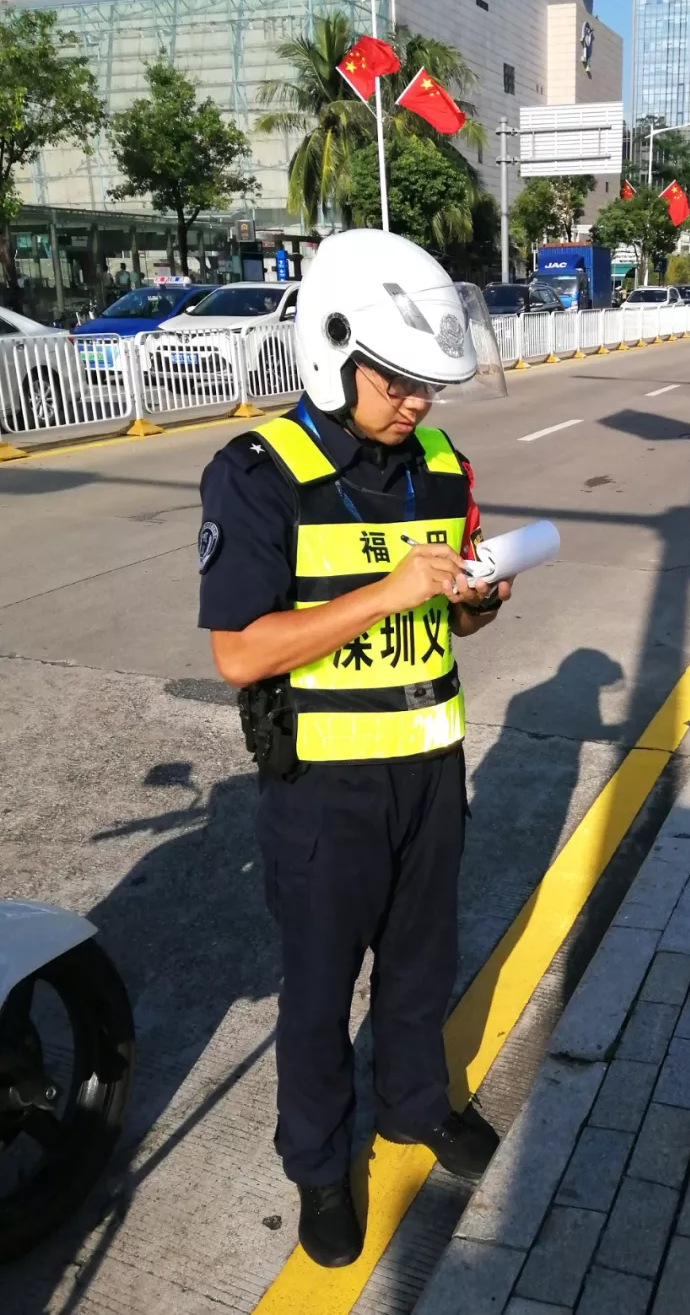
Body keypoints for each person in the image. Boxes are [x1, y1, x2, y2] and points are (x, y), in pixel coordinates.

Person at [197, 230, 511, 1268]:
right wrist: (387, 590)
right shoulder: (259, 474)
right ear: (333, 349)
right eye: (399, 380)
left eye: (430, 383)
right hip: (325, 795)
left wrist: (477, 601)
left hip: (430, 770)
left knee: (422, 967)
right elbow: (240, 651)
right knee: (321, 990)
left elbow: (445, 615)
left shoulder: (441, 465)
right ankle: (320, 1164)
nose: (418, 401)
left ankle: (416, 1105)